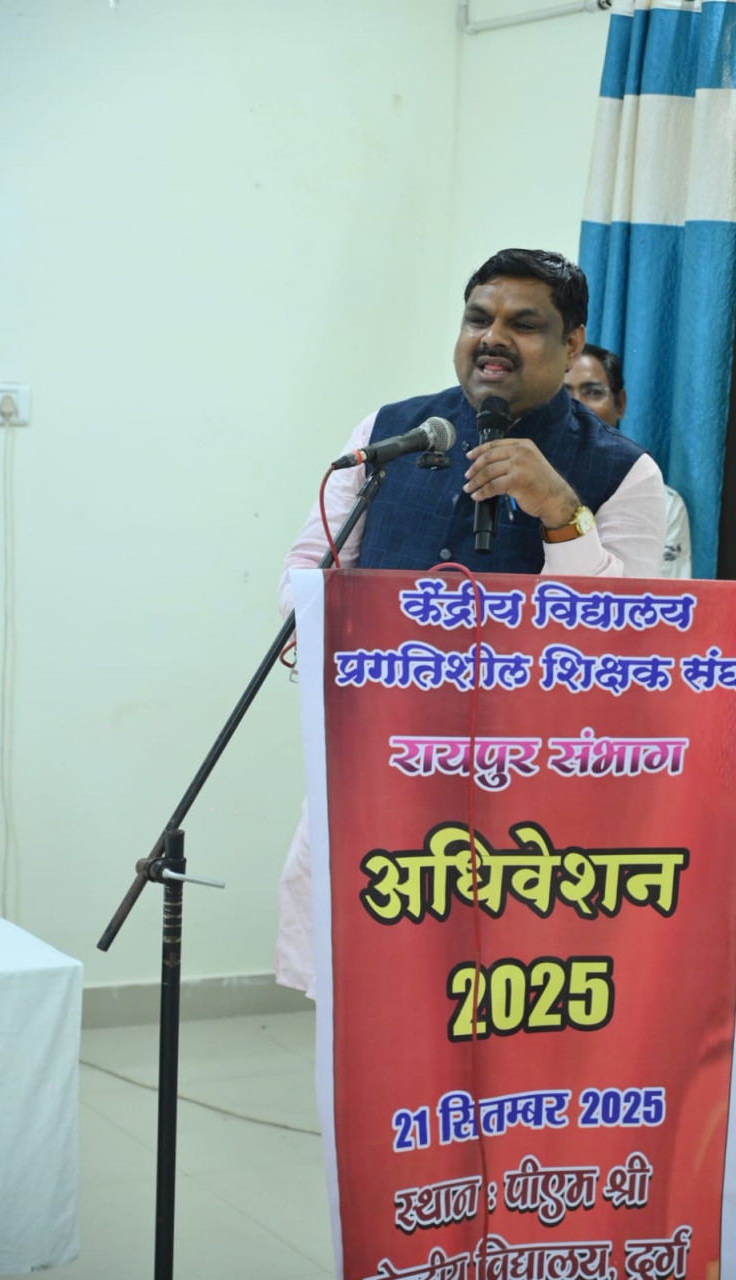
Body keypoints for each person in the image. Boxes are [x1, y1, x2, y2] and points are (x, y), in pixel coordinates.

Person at [276, 249, 667, 997]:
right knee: (364, 1004)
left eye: (524, 324)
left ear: (572, 344)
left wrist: (560, 511)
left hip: (527, 804)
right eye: (478, 318)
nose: (493, 338)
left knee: (495, 1006)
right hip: (385, 766)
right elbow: (308, 572)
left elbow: (620, 639)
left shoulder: (624, 472)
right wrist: (366, 655)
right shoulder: (392, 431)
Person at [564, 343, 692, 577]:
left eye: (592, 392)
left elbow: (661, 594)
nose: (577, 406)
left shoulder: (666, 504)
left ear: (620, 403)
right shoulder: (522, 492)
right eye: (563, 395)